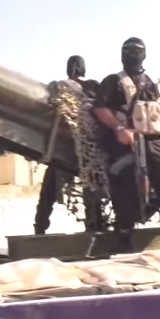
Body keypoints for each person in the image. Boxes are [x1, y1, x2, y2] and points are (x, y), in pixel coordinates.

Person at [92, 37, 160, 250]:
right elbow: (100, 108)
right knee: (126, 197)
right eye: (128, 52)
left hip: (159, 143)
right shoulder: (113, 81)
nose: (132, 56)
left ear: (144, 55)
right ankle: (124, 245)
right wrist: (119, 129)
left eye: (136, 52)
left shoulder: (158, 84)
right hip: (128, 144)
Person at [34, 55, 104, 235]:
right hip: (86, 150)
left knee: (48, 191)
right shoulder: (93, 87)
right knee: (90, 185)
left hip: (61, 149)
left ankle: (40, 227)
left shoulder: (59, 86)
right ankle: (94, 226)